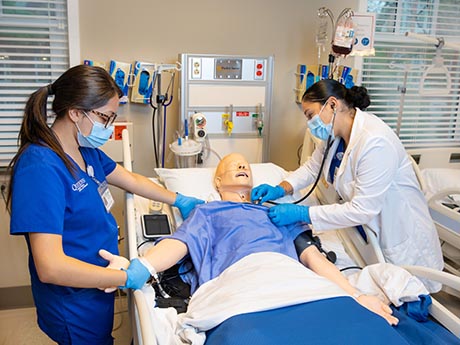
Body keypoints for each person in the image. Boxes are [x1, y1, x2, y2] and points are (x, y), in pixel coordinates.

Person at [6, 65, 204, 345]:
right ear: (75, 112)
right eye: (105, 117)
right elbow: (49, 266)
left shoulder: (85, 151)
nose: (108, 128)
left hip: (98, 286)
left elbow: (132, 179)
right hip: (73, 300)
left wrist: (178, 199)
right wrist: (124, 277)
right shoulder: (39, 167)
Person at [118, 153, 398, 327]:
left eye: (246, 165)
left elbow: (315, 259)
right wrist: (142, 267)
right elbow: (177, 245)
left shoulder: (279, 214)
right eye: (232, 165)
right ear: (217, 183)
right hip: (239, 286)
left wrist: (356, 295)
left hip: (294, 282)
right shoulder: (208, 211)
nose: (242, 164)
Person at [251, 79, 443, 292]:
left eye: (310, 115)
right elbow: (313, 168)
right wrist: (281, 187)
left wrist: (302, 213)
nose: (309, 123)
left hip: (400, 233)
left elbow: (362, 209)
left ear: (332, 104)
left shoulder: (375, 141)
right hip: (371, 235)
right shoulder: (336, 135)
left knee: (411, 295)